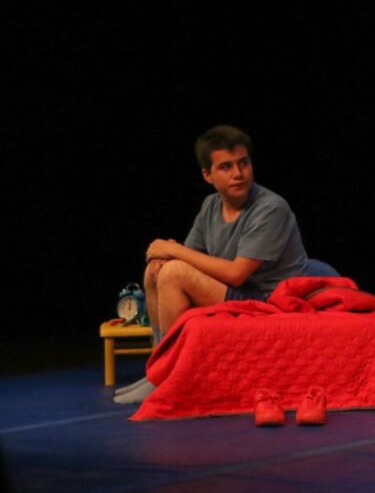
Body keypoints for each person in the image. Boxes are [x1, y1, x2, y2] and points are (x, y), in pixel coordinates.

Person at [114, 125, 308, 404]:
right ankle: (160, 368)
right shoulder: (210, 206)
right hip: (241, 292)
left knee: (174, 272)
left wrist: (174, 250)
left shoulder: (271, 208)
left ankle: (171, 377)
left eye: (243, 163)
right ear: (208, 175)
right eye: (226, 167)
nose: (238, 173)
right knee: (156, 271)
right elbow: (191, 254)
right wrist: (165, 256)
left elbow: (237, 273)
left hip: (269, 300)